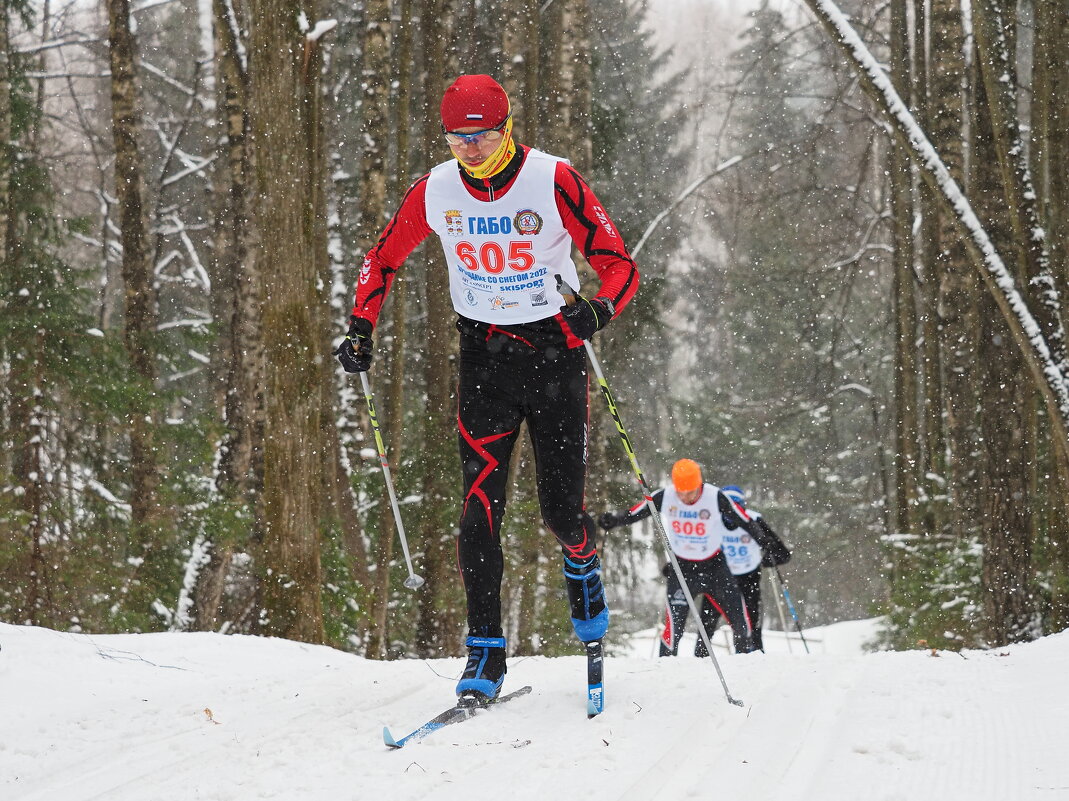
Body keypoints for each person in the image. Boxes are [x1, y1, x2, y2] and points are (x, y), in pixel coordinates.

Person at [335, 75, 639, 703]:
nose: (469, 149)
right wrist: (361, 324)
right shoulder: (436, 190)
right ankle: (485, 650)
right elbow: (382, 257)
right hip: (485, 362)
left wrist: (601, 310)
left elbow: (618, 263)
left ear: (508, 128)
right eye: (457, 137)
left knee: (560, 512)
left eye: (482, 136)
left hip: (555, 359)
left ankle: (582, 562)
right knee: (479, 510)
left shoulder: (553, 179)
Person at [599, 458, 762, 655]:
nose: (685, 498)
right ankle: (664, 668)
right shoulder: (665, 496)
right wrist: (614, 519)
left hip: (715, 567)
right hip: (683, 569)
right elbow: (635, 513)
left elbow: (743, 519)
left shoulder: (715, 496)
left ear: (699, 485)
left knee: (740, 623)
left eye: (690, 493)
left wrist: (762, 538)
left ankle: (746, 663)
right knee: (673, 629)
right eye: (680, 493)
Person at [694, 485, 791, 655]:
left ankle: (754, 659)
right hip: (719, 578)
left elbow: (782, 554)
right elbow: (694, 546)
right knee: (706, 626)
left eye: (737, 504)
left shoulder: (753, 520)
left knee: (750, 628)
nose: (732, 511)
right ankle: (701, 660)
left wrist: (768, 558)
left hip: (748, 579)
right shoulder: (711, 519)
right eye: (728, 505)